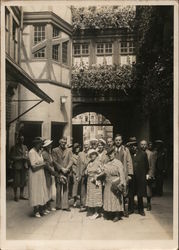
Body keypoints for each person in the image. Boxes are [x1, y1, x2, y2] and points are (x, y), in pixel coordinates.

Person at [98, 147, 126, 222]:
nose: (110, 155)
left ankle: (117, 215)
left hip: (115, 182)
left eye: (111, 153)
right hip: (107, 183)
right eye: (108, 154)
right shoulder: (106, 163)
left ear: (114, 153)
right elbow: (104, 173)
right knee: (108, 198)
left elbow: (122, 174)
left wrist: (122, 183)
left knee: (115, 199)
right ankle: (110, 213)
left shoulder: (118, 163)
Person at [28, 137, 49, 218]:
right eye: (40, 144)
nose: (41, 145)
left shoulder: (39, 151)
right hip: (34, 175)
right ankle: (35, 210)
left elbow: (40, 162)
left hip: (40, 174)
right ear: (36, 144)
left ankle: (41, 209)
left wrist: (42, 164)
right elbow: (33, 167)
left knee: (41, 190)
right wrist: (43, 164)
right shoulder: (31, 152)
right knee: (35, 191)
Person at [114, 134, 134, 216]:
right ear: (114, 141)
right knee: (116, 192)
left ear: (121, 141)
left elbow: (129, 162)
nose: (118, 141)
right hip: (115, 174)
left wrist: (129, 174)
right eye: (116, 140)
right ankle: (117, 211)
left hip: (124, 173)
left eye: (119, 140)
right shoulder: (113, 149)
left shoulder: (126, 150)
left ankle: (125, 211)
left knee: (125, 192)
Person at [52, 136, 73, 211]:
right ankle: (58, 205)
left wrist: (67, 168)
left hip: (66, 172)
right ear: (59, 142)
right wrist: (61, 168)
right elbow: (54, 161)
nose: (63, 144)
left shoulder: (69, 150)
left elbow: (71, 160)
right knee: (58, 188)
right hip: (59, 172)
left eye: (65, 142)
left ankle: (65, 206)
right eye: (62, 142)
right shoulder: (54, 150)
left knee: (66, 188)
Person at [129, 139, 149, 216]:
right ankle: (131, 209)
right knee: (131, 194)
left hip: (140, 177)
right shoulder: (129, 154)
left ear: (136, 146)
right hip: (132, 177)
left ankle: (141, 210)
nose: (133, 148)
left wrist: (144, 174)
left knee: (140, 194)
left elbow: (147, 166)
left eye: (134, 146)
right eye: (131, 146)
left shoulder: (143, 154)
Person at [42, 139, 61, 212]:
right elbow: (47, 166)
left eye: (50, 144)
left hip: (49, 173)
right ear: (46, 146)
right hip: (46, 173)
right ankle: (46, 207)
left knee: (49, 190)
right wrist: (54, 173)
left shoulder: (48, 153)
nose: (50, 146)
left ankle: (48, 206)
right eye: (49, 145)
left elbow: (51, 163)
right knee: (47, 190)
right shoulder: (44, 153)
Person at [10, 135, 29, 201]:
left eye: (23, 139)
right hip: (17, 166)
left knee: (23, 181)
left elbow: (27, 155)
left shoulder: (25, 147)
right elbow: (11, 157)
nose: (22, 140)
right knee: (16, 181)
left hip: (24, 166)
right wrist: (21, 158)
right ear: (17, 140)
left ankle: (21, 195)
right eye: (20, 139)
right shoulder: (14, 147)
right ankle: (15, 196)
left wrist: (26, 157)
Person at [85, 149, 103, 219]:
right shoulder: (89, 162)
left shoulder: (98, 162)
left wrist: (97, 176)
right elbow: (87, 171)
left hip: (96, 182)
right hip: (89, 181)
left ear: (96, 155)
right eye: (91, 154)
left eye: (94, 154)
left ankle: (97, 213)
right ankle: (93, 211)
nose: (92, 156)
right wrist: (86, 172)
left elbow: (103, 171)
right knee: (91, 196)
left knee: (96, 196)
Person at [140, 140, 156, 210]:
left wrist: (150, 174)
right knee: (140, 190)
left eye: (144, 144)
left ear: (146, 145)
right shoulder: (138, 153)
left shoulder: (150, 154)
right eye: (142, 144)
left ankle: (149, 203)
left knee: (148, 189)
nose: (143, 146)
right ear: (140, 145)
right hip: (140, 173)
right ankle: (140, 204)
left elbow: (152, 166)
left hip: (147, 173)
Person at [77, 140, 90, 212]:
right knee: (82, 191)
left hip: (89, 175)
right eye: (84, 144)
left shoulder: (92, 153)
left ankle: (89, 205)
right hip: (82, 175)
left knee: (90, 190)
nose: (86, 146)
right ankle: (83, 205)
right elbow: (78, 165)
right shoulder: (80, 154)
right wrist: (77, 175)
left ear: (89, 145)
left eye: (87, 144)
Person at [70, 143, 81, 207]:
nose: (77, 149)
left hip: (81, 173)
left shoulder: (81, 154)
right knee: (75, 187)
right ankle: (74, 200)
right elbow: (72, 165)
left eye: (78, 147)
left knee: (81, 187)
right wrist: (75, 172)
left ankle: (82, 202)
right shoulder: (72, 156)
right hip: (75, 173)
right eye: (76, 148)